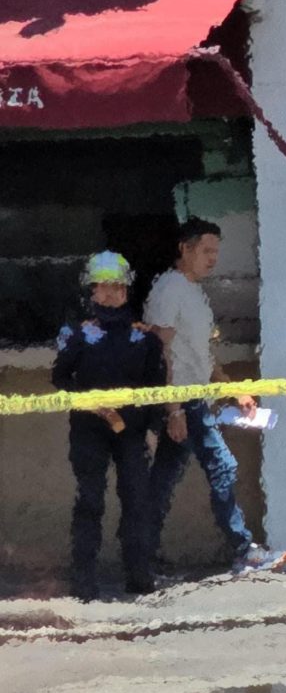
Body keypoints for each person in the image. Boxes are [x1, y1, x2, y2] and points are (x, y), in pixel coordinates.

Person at [143, 217, 286, 577]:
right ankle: (243, 549)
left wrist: (230, 389)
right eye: (206, 251)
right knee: (222, 467)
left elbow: (204, 356)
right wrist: (173, 409)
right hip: (183, 401)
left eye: (216, 252)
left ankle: (142, 557)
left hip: (198, 399)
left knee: (161, 482)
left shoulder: (195, 293)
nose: (212, 259)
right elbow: (160, 352)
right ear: (185, 248)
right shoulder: (168, 290)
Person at [53, 253, 163, 601]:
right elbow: (60, 378)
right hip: (88, 429)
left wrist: (153, 428)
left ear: (127, 291)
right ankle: (84, 580)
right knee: (90, 501)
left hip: (131, 432)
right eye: (104, 287)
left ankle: (139, 576)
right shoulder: (76, 335)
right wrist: (90, 401)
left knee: (136, 501)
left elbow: (154, 388)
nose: (111, 294)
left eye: (118, 287)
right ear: (92, 291)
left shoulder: (144, 338)